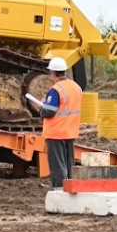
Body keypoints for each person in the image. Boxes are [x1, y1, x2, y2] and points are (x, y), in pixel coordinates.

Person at [39, 57, 82, 190]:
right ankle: (70, 189)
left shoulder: (56, 89)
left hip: (56, 132)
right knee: (69, 165)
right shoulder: (76, 87)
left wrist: (42, 106)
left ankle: (59, 192)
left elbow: (48, 112)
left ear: (53, 73)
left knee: (57, 165)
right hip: (70, 132)